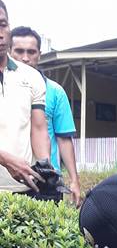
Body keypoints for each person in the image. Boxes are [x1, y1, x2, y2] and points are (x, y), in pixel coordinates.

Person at [10, 26, 81, 206]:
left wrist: (74, 180)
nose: (25, 58)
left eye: (31, 52)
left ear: (39, 54)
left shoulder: (55, 92)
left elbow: (64, 139)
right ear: (9, 51)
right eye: (19, 51)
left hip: (47, 181)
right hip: (9, 178)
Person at [0, 0, 50, 194]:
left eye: (3, 25)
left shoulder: (31, 77)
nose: (0, 34)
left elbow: (38, 128)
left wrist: (45, 166)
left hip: (24, 188)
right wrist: (5, 159)